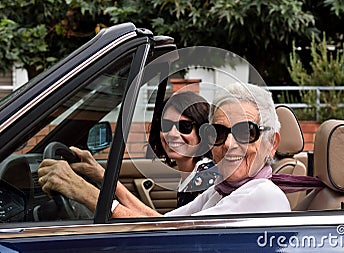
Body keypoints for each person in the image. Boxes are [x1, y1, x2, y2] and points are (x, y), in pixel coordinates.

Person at [38, 82, 290, 217]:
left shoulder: (262, 195)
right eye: (220, 132)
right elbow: (162, 223)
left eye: (247, 132)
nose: (229, 144)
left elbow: (169, 237)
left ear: (272, 143)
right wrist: (102, 178)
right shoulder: (221, 189)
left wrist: (83, 192)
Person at [148, 91, 219, 207]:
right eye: (165, 125)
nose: (172, 134)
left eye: (185, 126)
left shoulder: (206, 177)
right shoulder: (192, 174)